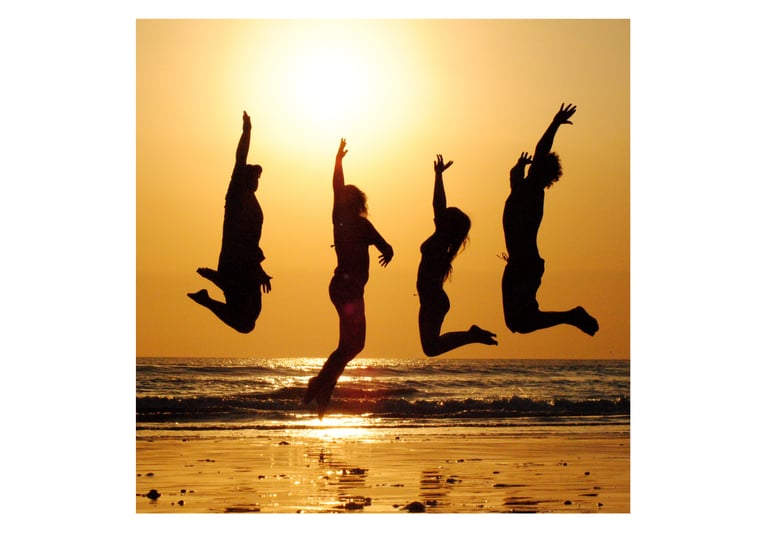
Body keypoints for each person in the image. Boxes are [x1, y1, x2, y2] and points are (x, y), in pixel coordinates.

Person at [303, 138, 394, 418]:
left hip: (343, 288)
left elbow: (386, 246)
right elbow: (387, 247)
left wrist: (338, 161)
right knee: (352, 345)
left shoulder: (342, 222)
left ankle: (322, 387)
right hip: (349, 291)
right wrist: (338, 162)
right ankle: (320, 385)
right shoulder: (351, 222)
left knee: (351, 345)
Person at [501, 103, 599, 336]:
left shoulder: (532, 191)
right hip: (520, 263)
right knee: (518, 323)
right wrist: (519, 165)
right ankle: (570, 316)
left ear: (540, 171)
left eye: (535, 164)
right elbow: (514, 175)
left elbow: (541, 148)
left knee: (520, 323)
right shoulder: (520, 189)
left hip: (525, 263)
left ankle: (571, 316)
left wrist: (555, 123)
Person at [188, 111, 272, 333]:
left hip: (246, 265)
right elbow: (240, 158)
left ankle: (217, 284)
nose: (256, 182)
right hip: (236, 264)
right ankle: (213, 290)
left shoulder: (253, 201)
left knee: (249, 319)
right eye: (253, 178)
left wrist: (260, 270)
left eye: (258, 179)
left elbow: (251, 243)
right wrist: (247, 130)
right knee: (246, 322)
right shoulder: (235, 194)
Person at [417, 154, 498, 357]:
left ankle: (471, 335)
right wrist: (438, 176)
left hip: (433, 300)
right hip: (431, 299)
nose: (441, 215)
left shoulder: (441, 240)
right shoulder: (442, 240)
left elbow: (438, 205)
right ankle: (471, 335)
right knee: (431, 347)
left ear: (448, 224)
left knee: (431, 348)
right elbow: (439, 207)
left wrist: (438, 176)